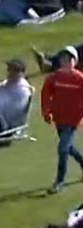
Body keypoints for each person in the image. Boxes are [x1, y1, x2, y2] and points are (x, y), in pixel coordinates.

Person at [41, 46, 83, 194]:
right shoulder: (54, 78)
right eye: (63, 60)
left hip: (72, 120)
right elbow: (46, 94)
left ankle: (59, 182)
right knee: (69, 147)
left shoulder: (79, 79)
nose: (65, 62)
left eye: (68, 60)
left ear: (75, 61)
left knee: (63, 149)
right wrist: (46, 111)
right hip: (59, 118)